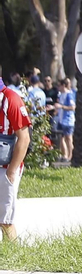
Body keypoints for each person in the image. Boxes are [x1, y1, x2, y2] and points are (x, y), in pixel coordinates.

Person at [0, 74, 31, 241]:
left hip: (5, 168)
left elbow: (24, 138)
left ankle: (10, 253)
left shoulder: (11, 99)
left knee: (5, 220)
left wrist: (11, 171)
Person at [53, 78, 74, 162]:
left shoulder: (69, 95)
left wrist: (61, 107)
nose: (58, 87)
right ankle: (64, 155)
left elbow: (72, 107)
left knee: (68, 138)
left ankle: (70, 155)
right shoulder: (60, 95)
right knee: (61, 138)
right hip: (61, 119)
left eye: (59, 85)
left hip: (68, 120)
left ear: (63, 85)